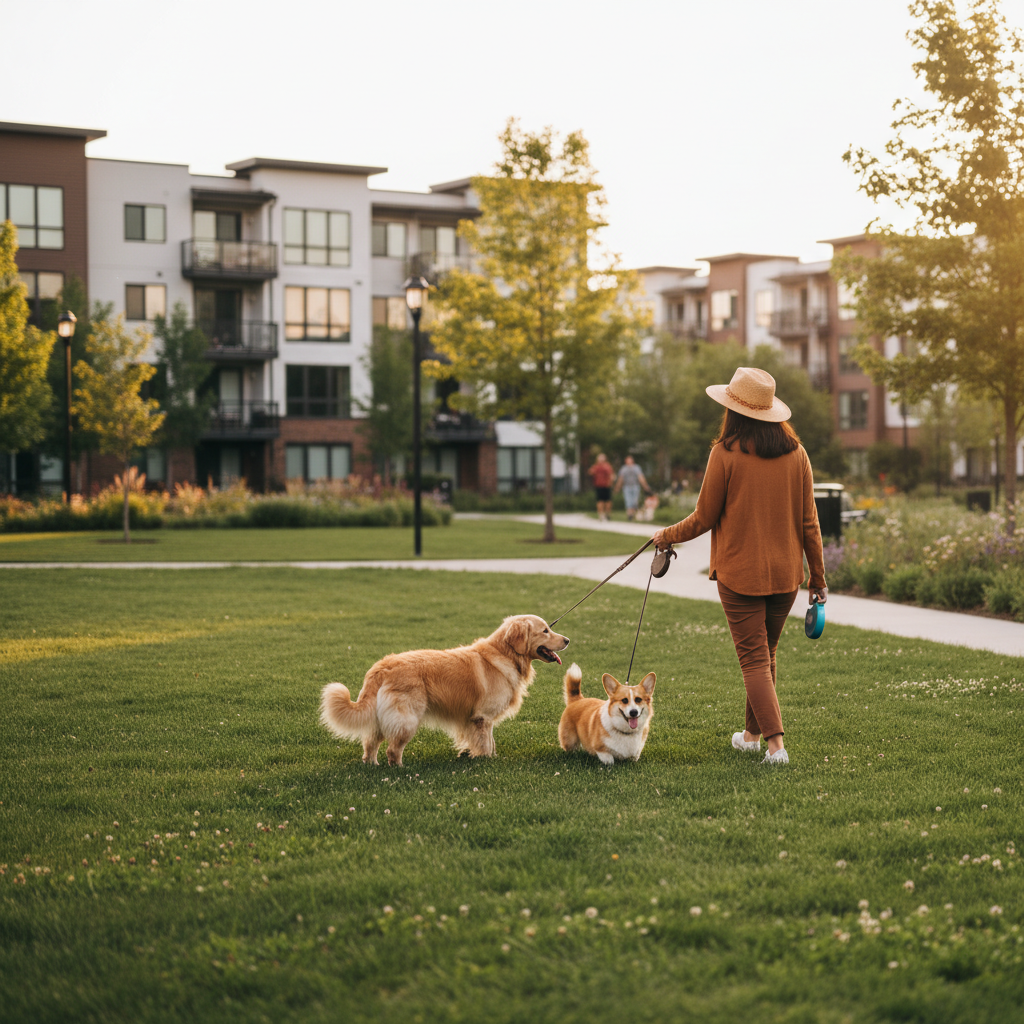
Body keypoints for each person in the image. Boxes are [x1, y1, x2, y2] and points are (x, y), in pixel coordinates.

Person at [651, 367, 827, 766]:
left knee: (753, 659)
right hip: (786, 577)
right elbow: (810, 523)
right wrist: (818, 578)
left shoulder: (725, 453)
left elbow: (704, 517)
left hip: (739, 575)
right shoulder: (797, 454)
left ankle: (775, 746)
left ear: (732, 409)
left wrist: (666, 535)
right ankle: (750, 736)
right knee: (766, 655)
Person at [613, 455, 651, 521]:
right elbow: (621, 479)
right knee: (628, 501)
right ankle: (630, 515)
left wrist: (645, 486)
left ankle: (632, 514)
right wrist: (617, 488)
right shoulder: (624, 469)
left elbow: (640, 477)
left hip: (635, 486)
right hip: (627, 487)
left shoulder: (636, 468)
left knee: (634, 501)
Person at [587, 453, 615, 521]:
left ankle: (607, 514)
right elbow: (590, 472)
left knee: (608, 501)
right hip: (599, 485)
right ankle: (601, 514)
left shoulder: (607, 466)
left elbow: (611, 475)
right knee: (600, 501)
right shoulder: (596, 466)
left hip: (606, 485)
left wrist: (610, 483)